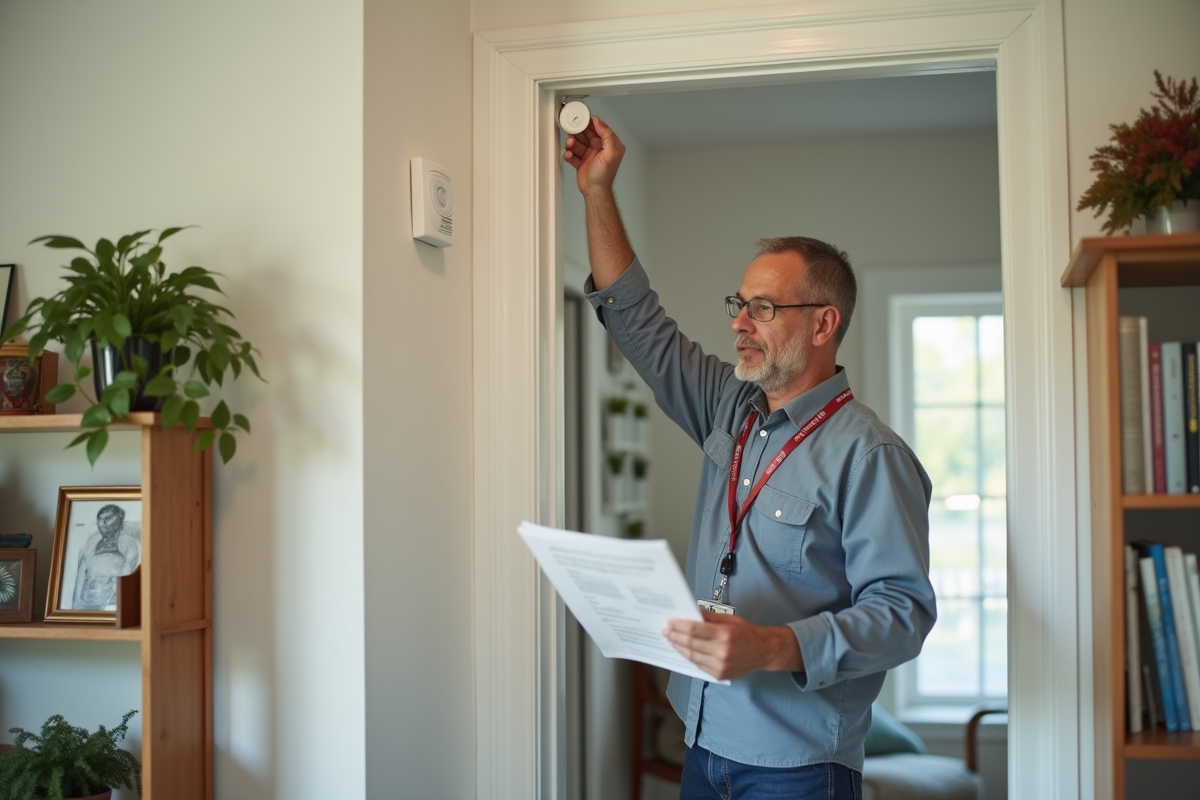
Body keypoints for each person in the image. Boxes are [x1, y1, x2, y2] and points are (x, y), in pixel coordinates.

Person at [564, 116, 937, 800]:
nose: (738, 321)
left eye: (763, 308)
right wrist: (597, 191)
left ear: (822, 323)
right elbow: (636, 320)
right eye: (740, 303)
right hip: (702, 744)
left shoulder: (870, 455)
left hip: (800, 770)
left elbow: (902, 614)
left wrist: (771, 646)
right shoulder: (728, 409)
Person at [72, 503, 140, 610]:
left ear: (120, 523)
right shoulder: (91, 542)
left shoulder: (129, 543)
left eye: (108, 518)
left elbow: (126, 580)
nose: (103, 523)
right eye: (100, 519)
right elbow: (80, 581)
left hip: (113, 604)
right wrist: (76, 607)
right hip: (89, 602)